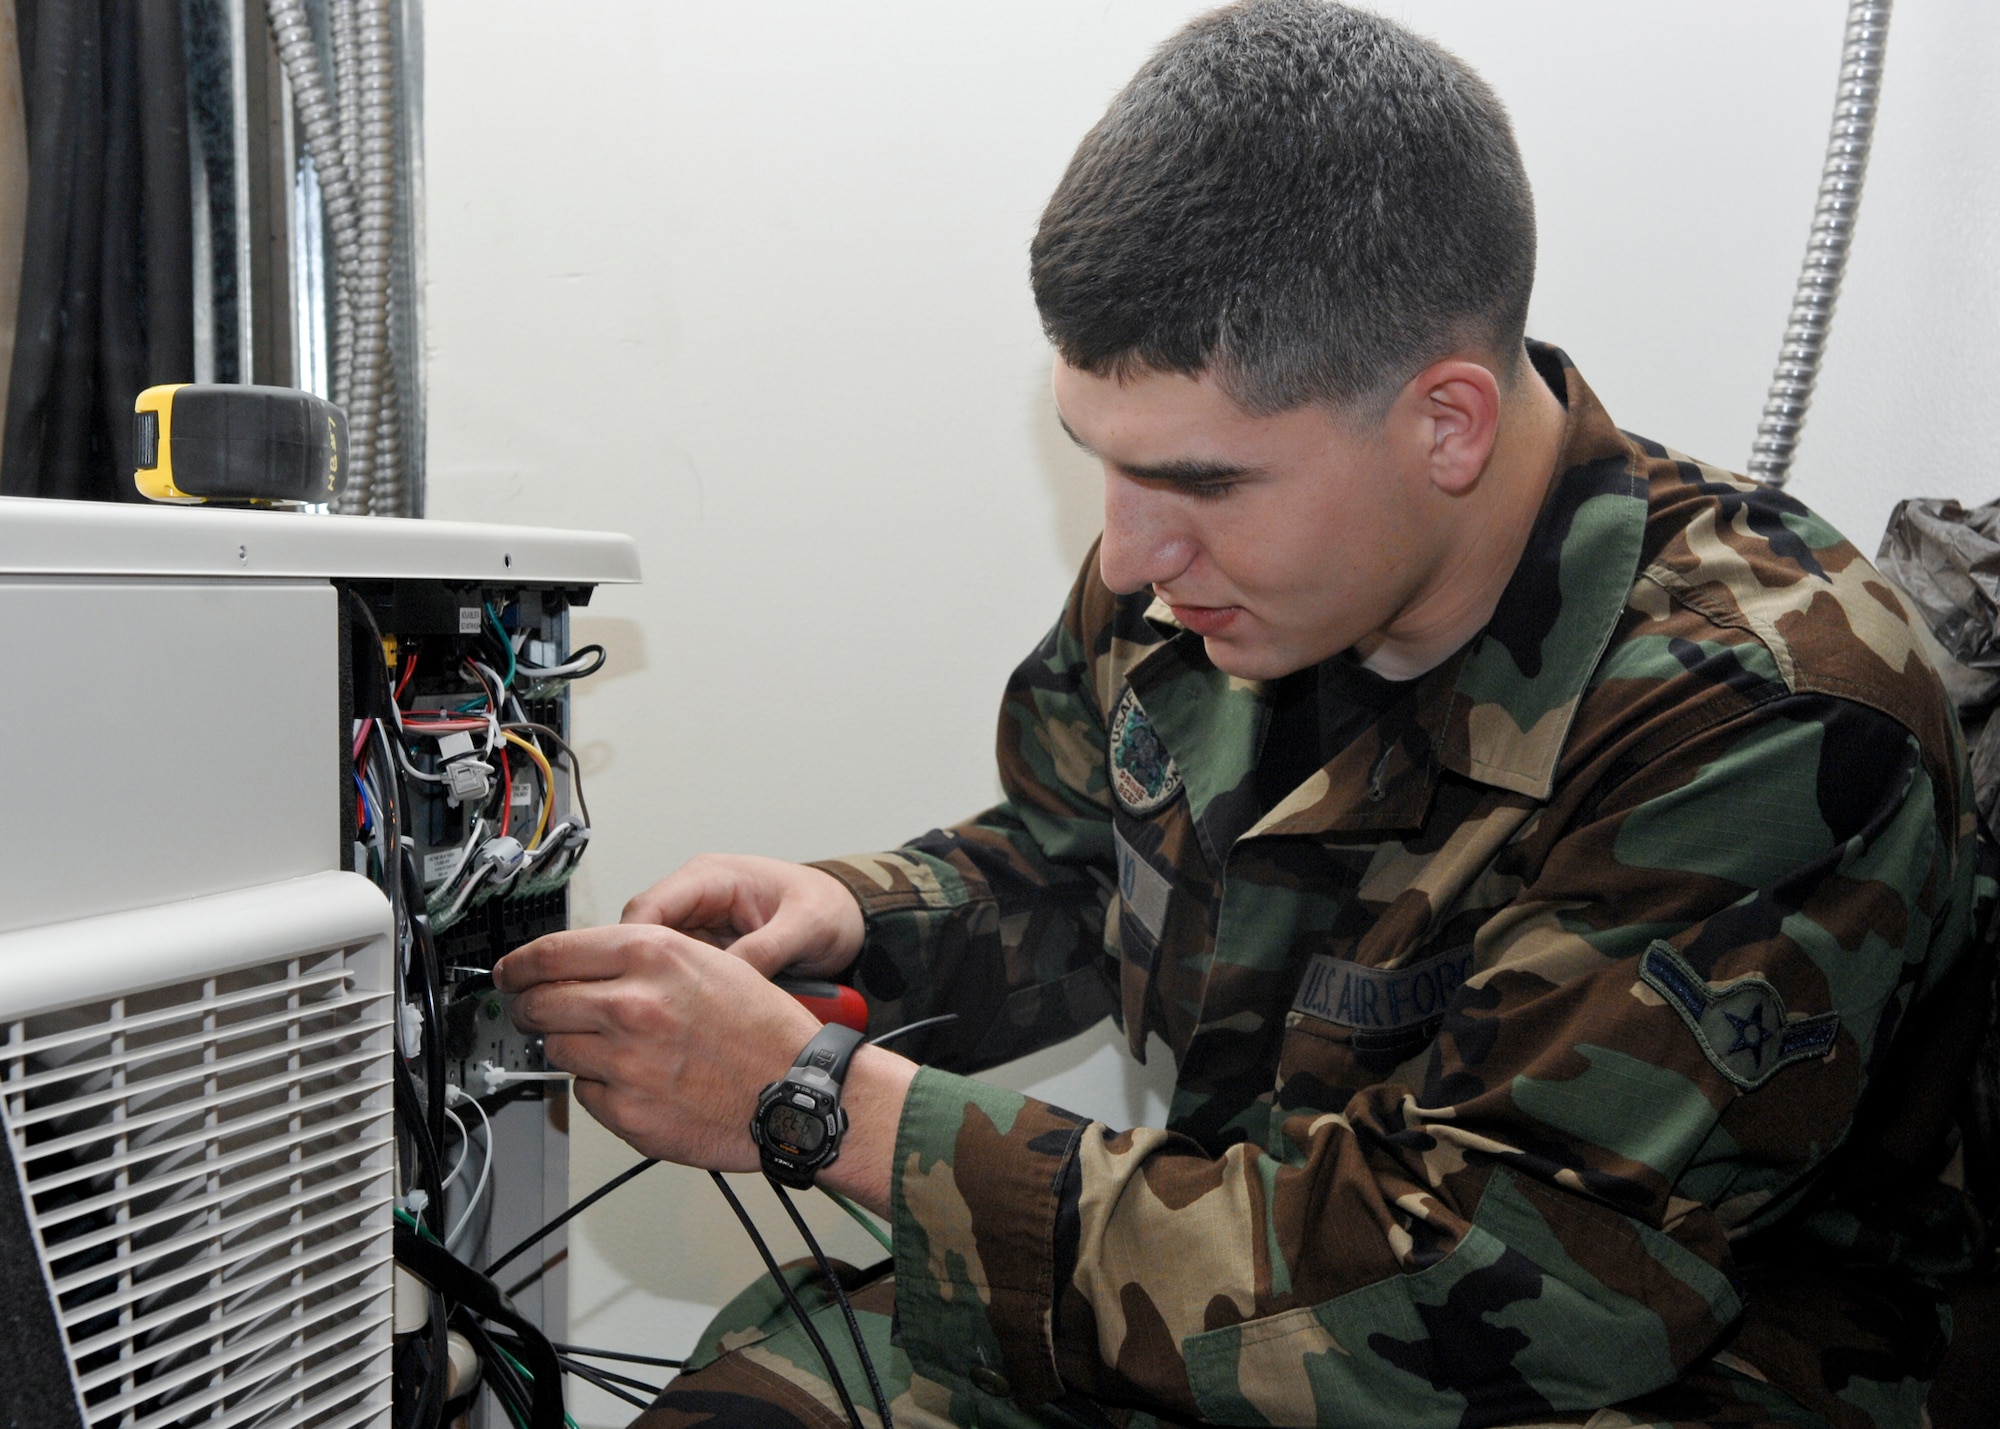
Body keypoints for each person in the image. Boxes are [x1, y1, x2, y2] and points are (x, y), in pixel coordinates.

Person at [495, 3, 1989, 1426]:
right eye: (1103, 459)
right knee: (777, 1392)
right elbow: (1083, 861)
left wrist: (825, 1104)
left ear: (1446, 423)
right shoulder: (1202, 584)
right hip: (1230, 1291)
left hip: (1600, 1368)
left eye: (1202, 482)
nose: (1132, 551)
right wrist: (849, 917)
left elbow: (1490, 1276)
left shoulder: (1769, 710)